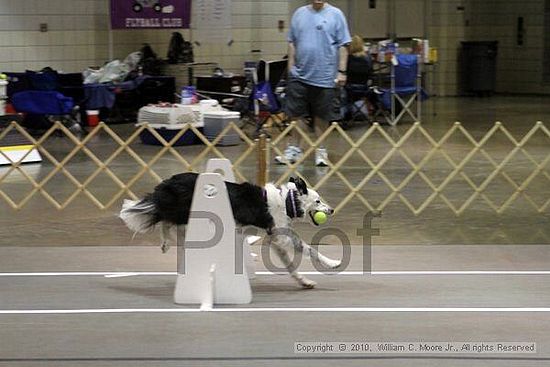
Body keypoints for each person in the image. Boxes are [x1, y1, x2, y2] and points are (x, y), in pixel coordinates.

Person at [274, 0, 351, 167]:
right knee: (296, 114)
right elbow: (292, 42)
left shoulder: (336, 15)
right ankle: (294, 149)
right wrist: (290, 68)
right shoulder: (299, 14)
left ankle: (321, 151)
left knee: (322, 116)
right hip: (299, 76)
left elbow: (343, 45)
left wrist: (342, 71)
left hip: (325, 76)